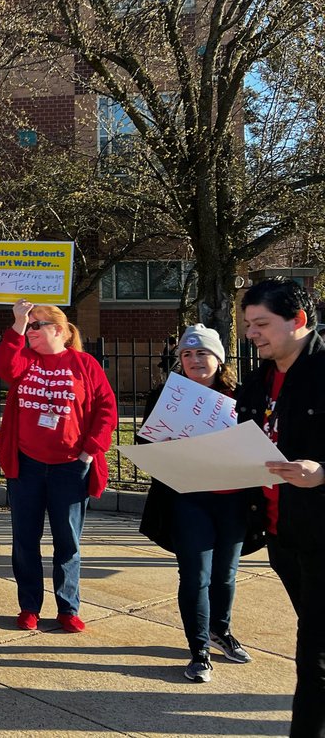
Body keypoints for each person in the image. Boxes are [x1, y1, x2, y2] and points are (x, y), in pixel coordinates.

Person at [138, 324, 263, 683]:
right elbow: (147, 444)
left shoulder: (242, 396)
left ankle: (220, 632)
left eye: (202, 352)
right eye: (187, 354)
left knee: (225, 575)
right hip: (187, 499)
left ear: (218, 358)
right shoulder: (165, 396)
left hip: (234, 501)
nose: (195, 360)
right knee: (196, 575)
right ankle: (199, 651)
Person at [234, 278, 325, 737]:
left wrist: (324, 472)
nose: (252, 333)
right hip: (280, 533)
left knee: (314, 662)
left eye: (262, 324)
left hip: (322, 536)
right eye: (248, 324)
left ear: (299, 321)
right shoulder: (260, 377)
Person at [0, 300, 117, 634]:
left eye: (36, 325)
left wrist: (90, 451)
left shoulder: (84, 364)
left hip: (70, 467)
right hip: (27, 465)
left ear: (58, 329)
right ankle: (29, 606)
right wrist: (18, 324)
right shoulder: (25, 360)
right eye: (27, 326)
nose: (29, 330)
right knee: (25, 539)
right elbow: (5, 367)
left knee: (68, 541)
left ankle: (68, 607)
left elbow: (107, 409)